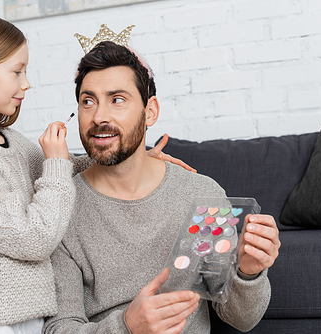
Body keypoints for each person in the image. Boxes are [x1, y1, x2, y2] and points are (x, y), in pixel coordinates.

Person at [0, 12, 190, 334]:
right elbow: (35, 239)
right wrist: (55, 163)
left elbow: (53, 170)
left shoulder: (12, 142)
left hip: (27, 314)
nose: (26, 83)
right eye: (16, 72)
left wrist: (134, 156)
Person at [43, 41, 281, 334]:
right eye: (87, 101)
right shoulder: (58, 207)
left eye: (117, 99)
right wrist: (127, 326)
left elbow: (242, 319)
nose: (99, 117)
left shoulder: (201, 194)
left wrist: (248, 271)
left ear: (150, 111)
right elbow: (60, 328)